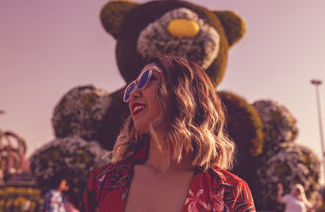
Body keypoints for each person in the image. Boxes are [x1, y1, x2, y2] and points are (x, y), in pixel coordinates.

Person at [80, 55, 256, 212]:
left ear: (184, 92)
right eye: (131, 88)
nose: (133, 93)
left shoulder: (229, 192)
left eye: (147, 79)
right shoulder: (103, 182)